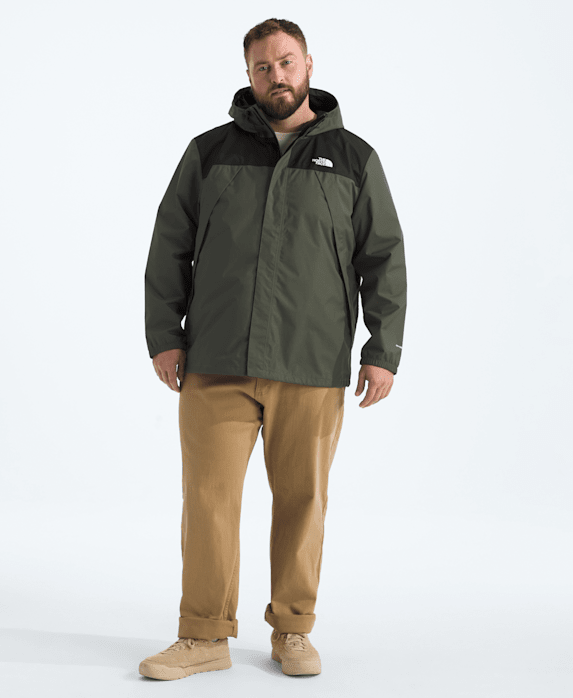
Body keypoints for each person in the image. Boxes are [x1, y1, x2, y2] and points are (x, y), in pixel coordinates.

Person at [139, 17, 407, 682]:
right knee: (207, 500)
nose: (275, 76)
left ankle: (293, 629)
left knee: (303, 500)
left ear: (308, 64)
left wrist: (383, 348)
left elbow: (383, 255)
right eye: (262, 66)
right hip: (215, 360)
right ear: (249, 75)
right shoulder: (209, 152)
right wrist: (164, 337)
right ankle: (203, 636)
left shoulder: (354, 158)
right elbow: (169, 245)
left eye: (286, 62)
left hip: (310, 361)